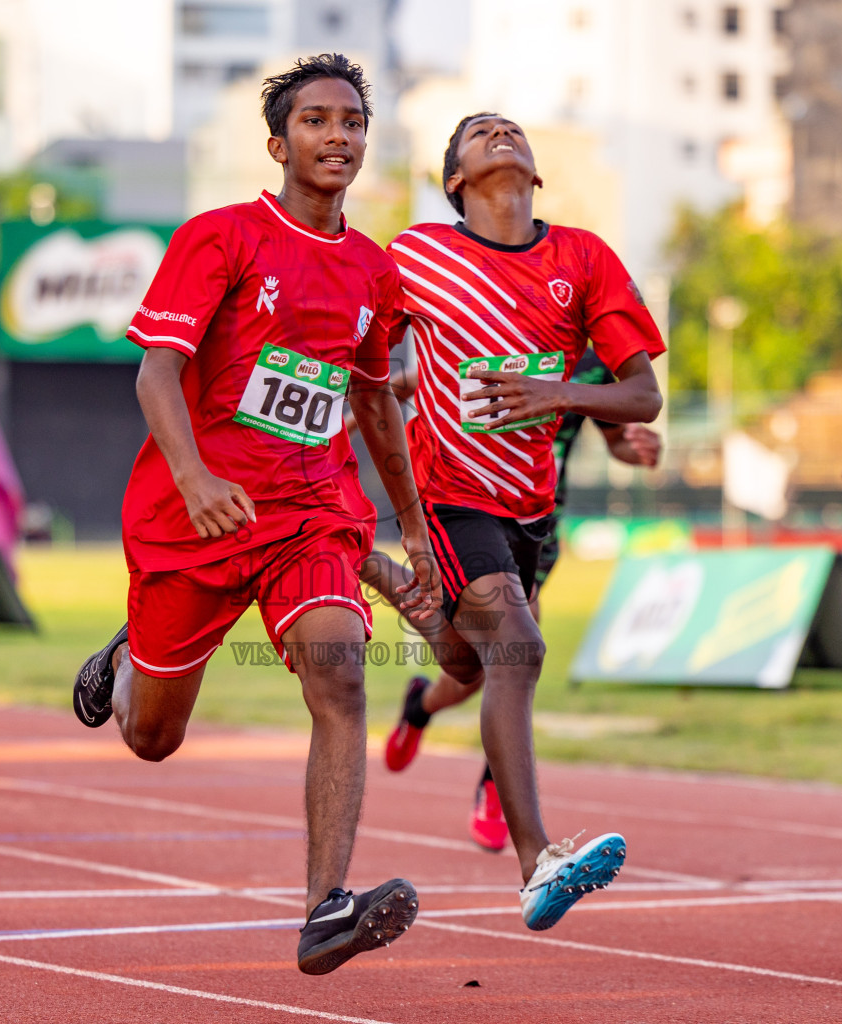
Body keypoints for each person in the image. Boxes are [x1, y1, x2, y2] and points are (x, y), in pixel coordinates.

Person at [69, 54, 441, 974]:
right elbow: (157, 369)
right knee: (154, 739)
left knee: (342, 673)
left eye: (353, 122)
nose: (339, 137)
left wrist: (414, 526)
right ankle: (127, 653)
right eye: (317, 121)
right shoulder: (221, 237)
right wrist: (195, 479)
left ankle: (324, 910)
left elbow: (373, 408)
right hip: (193, 517)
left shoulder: (373, 270)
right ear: (279, 143)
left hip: (311, 515)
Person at [359, 112, 666, 930]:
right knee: (517, 650)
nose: (499, 132)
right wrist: (392, 386)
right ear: (454, 178)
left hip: (532, 504)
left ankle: (377, 568)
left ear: (536, 171)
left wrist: (562, 395)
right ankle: (536, 865)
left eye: (511, 128)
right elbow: (361, 360)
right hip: (448, 492)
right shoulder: (415, 255)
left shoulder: (585, 258)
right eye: (478, 131)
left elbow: (641, 393)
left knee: (468, 662)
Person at [373, 354, 662, 853]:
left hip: (540, 520)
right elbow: (393, 382)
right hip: (466, 508)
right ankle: (483, 774)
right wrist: (343, 419)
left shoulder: (593, 360)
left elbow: (618, 438)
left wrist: (639, 449)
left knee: (487, 666)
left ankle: (436, 722)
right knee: (498, 656)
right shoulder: (496, 321)